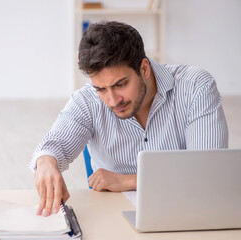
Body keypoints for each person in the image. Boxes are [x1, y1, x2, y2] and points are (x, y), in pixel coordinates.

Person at [29, 21, 228, 217]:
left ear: (144, 68)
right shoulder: (87, 101)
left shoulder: (196, 88)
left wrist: (130, 181)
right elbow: (53, 145)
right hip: (113, 218)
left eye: (121, 84)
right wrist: (46, 162)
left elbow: (208, 172)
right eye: (101, 89)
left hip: (188, 212)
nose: (113, 100)